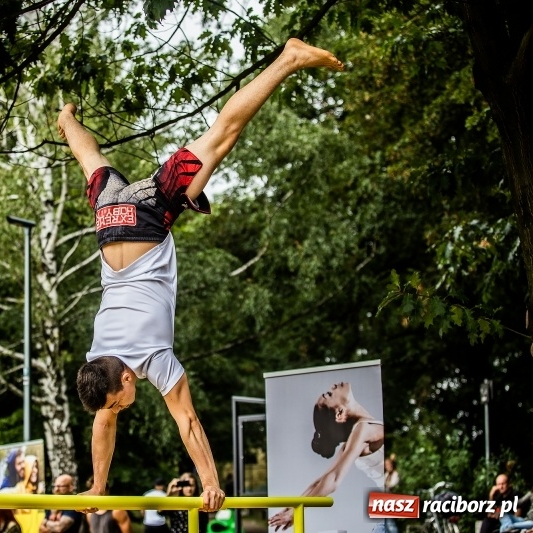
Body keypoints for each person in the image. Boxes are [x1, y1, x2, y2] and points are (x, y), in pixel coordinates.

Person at [64, 38, 344, 513]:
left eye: (117, 401)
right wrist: (97, 488)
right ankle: (66, 118)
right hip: (110, 223)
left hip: (147, 219)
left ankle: (290, 58)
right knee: (92, 165)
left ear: (127, 377)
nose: (118, 409)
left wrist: (210, 482)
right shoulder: (98, 360)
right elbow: (102, 420)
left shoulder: (153, 360)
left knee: (222, 136)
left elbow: (188, 421)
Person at [268, 382, 384, 531]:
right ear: (340, 413)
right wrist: (297, 508)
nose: (333, 386)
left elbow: (321, 481)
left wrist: (296, 505)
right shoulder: (363, 430)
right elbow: (332, 479)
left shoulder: (356, 436)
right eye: (329, 394)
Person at [383, 455, 400, 533]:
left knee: (391, 523)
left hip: (392, 501)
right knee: (385, 524)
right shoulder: (386, 475)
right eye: (386, 465)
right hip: (384, 501)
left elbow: (394, 484)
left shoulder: (395, 474)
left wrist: (386, 485)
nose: (388, 466)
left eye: (389, 464)